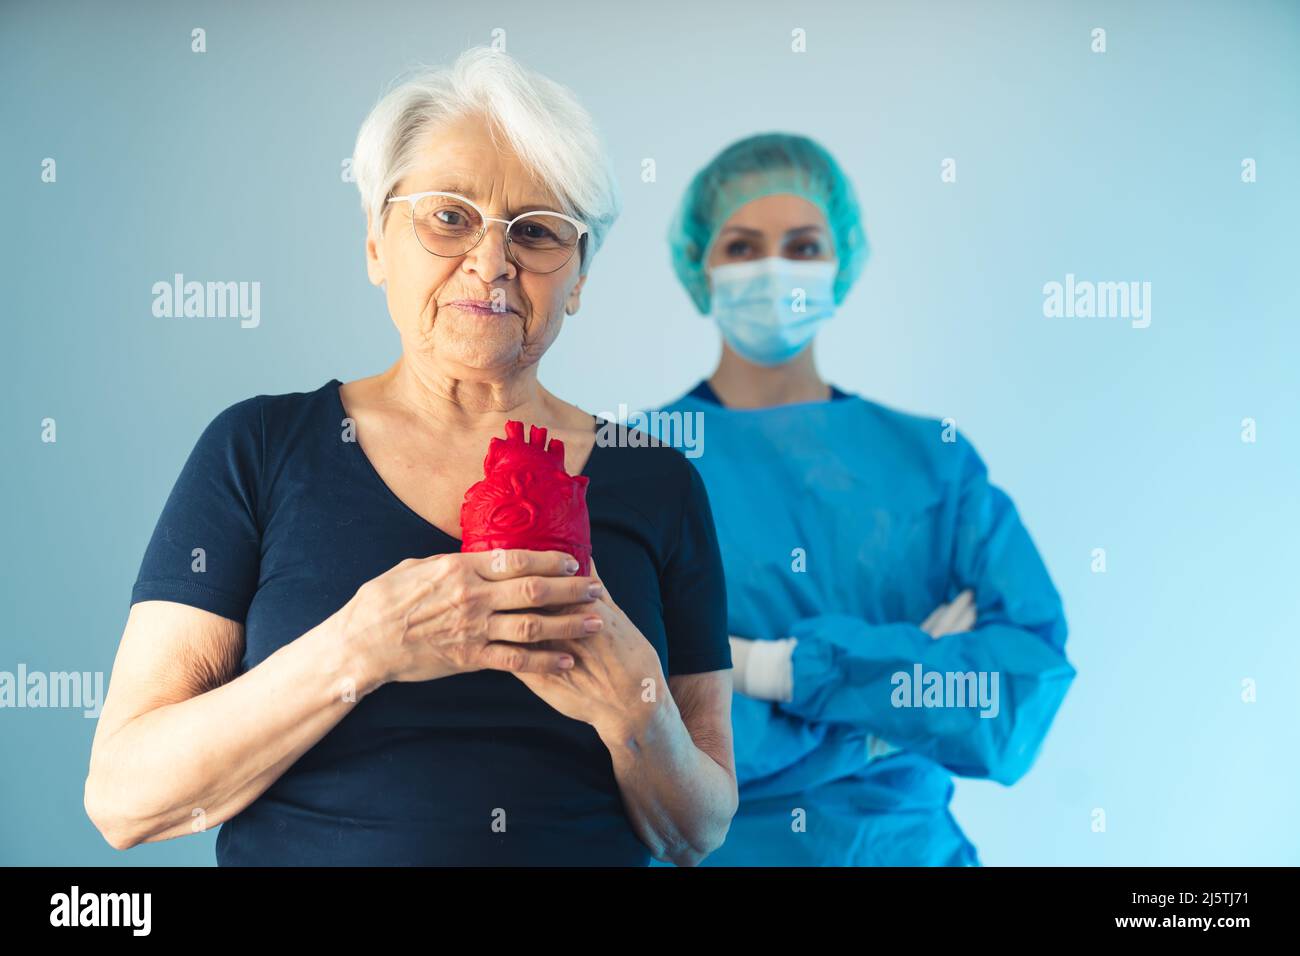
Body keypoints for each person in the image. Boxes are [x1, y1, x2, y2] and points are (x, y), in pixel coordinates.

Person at [83, 48, 737, 866]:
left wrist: (634, 712)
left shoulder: (660, 483)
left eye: (536, 231)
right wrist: (364, 647)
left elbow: (697, 830)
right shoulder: (258, 450)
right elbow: (123, 799)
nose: (492, 261)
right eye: (449, 216)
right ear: (375, 245)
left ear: (576, 278)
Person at [647, 132, 1076, 865]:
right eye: (743, 247)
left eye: (804, 246)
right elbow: (641, 731)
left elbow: (1020, 690)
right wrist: (892, 705)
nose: (775, 268)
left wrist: (764, 670)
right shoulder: (639, 466)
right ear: (700, 265)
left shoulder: (931, 461)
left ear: (841, 263)